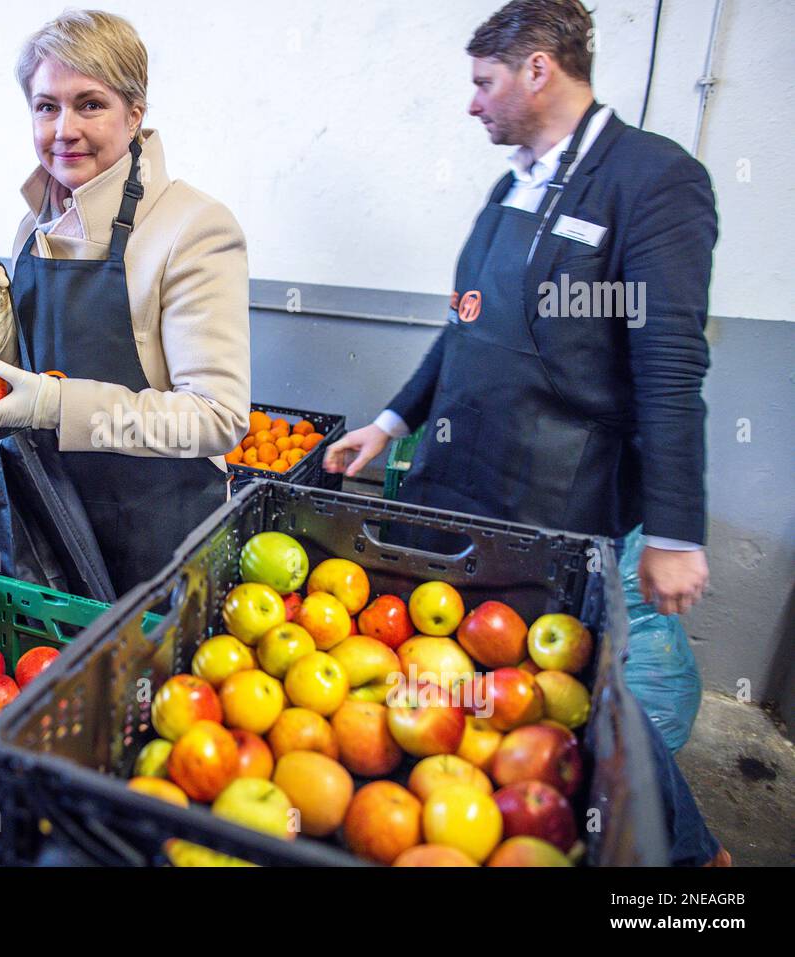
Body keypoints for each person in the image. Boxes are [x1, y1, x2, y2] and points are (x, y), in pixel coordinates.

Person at [325, 0, 724, 866]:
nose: (473, 105)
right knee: (476, 685)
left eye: (484, 82)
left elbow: (667, 364)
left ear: (538, 69)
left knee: (564, 694)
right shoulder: (519, 181)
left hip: (552, 500)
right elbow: (465, 325)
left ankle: (691, 864)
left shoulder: (651, 180)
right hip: (455, 479)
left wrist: (675, 529)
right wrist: (393, 420)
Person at [0, 9, 250, 594]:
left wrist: (52, 404)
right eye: (46, 106)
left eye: (89, 104)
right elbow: (37, 377)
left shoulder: (194, 227)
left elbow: (218, 418)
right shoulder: (30, 224)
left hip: (159, 537)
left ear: (134, 113)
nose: (63, 128)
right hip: (53, 525)